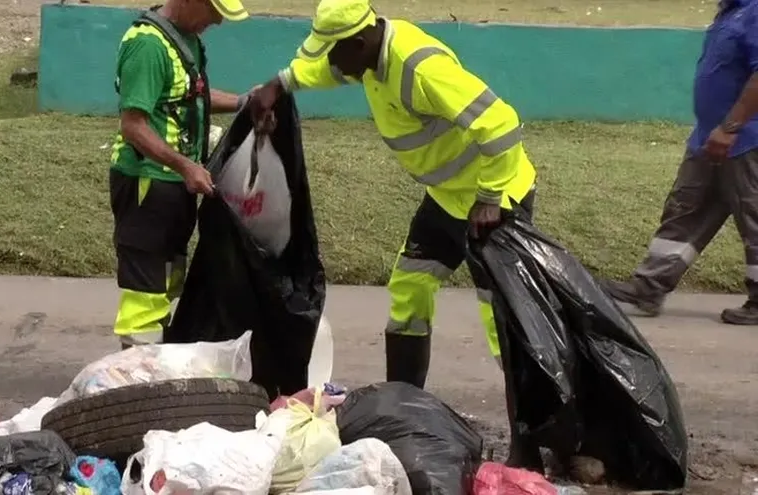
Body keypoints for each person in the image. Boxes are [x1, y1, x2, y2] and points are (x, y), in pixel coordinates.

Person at [248, 0, 542, 467]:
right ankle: (405, 414)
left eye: (335, 53)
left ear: (360, 43)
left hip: (494, 206)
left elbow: (500, 123)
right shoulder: (369, 59)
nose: (333, 63)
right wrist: (281, 83)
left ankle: (531, 444)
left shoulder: (419, 68)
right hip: (448, 199)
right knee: (409, 287)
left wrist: (490, 197)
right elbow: (328, 71)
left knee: (503, 324)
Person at [603, 0, 758, 324]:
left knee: (753, 214)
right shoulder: (732, 11)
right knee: (685, 207)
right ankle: (649, 286)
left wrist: (731, 127)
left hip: (745, 138)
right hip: (709, 136)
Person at [109, 0, 252, 348]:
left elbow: (193, 96)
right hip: (149, 182)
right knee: (146, 287)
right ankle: (138, 372)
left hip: (176, 183)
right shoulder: (147, 45)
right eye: (214, 13)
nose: (216, 22)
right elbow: (133, 126)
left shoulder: (186, 39)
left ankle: (157, 355)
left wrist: (243, 102)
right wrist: (186, 166)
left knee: (168, 279)